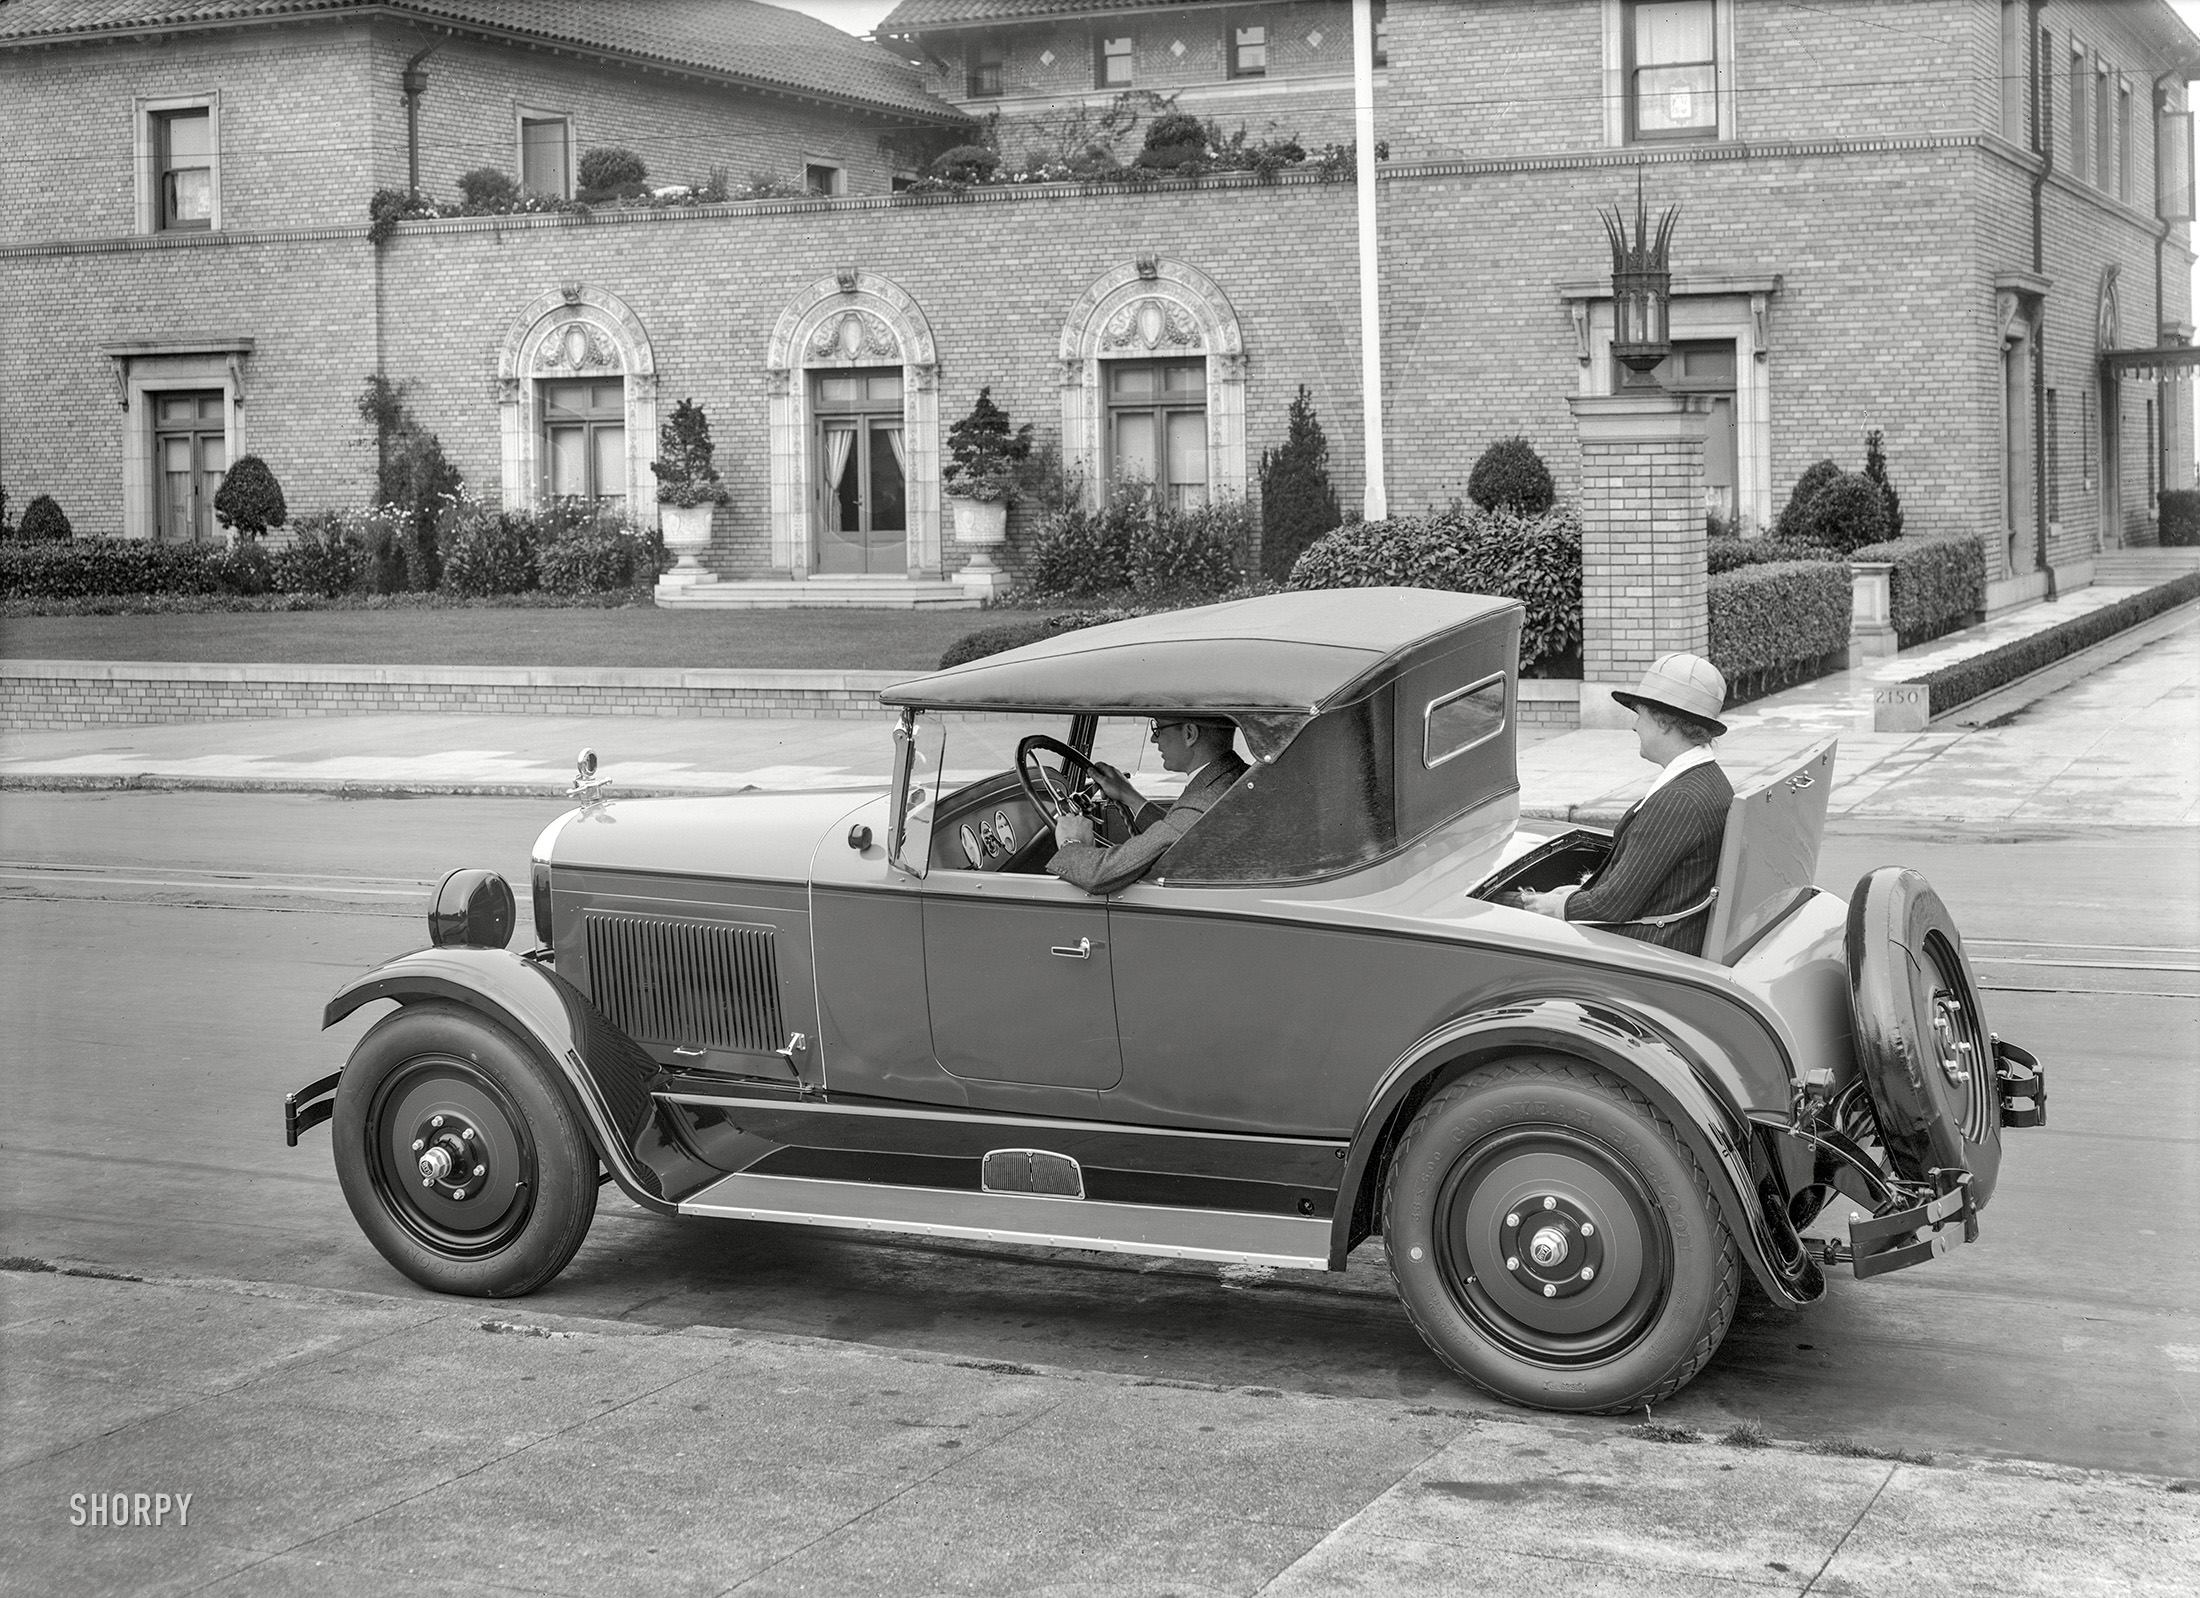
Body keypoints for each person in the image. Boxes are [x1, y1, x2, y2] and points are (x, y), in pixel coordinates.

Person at [1520, 654, 1733, 956]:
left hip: (1645, 955)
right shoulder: (1708, 778)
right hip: (1664, 938)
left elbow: (1611, 906)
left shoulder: (1678, 801)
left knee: (1507, 907)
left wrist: (1555, 905)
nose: (1635, 726)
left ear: (1663, 721)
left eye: (1640, 714)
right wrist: (1576, 893)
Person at [1048, 716, 1249, 894]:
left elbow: (1100, 875)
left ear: (1189, 733)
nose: (1154, 739)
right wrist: (1129, 796)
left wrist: (1071, 843)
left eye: (1158, 728)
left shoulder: (1203, 802)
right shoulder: (1230, 776)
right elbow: (1177, 835)